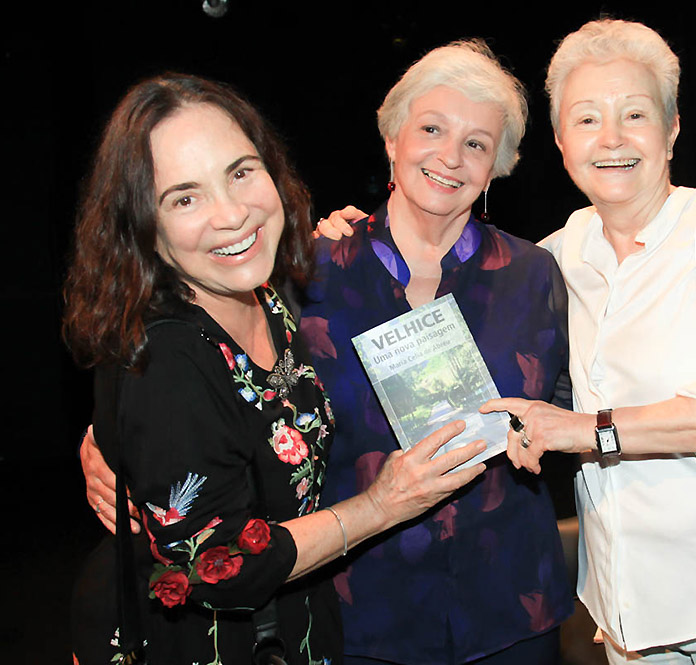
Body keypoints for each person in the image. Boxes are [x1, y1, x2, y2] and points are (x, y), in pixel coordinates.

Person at [82, 41, 574, 665]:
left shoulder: (535, 275)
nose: (450, 156)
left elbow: (566, 408)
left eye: (477, 143)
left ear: (497, 165)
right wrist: (105, 438)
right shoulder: (303, 271)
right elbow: (204, 382)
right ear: (392, 137)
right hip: (359, 612)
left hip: (511, 606)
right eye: (430, 129)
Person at [478, 19, 696, 665]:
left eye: (634, 113)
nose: (610, 138)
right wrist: (365, 232)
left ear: (671, 129)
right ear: (560, 141)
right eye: (586, 120)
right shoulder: (555, 255)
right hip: (624, 609)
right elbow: (453, 279)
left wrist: (584, 429)